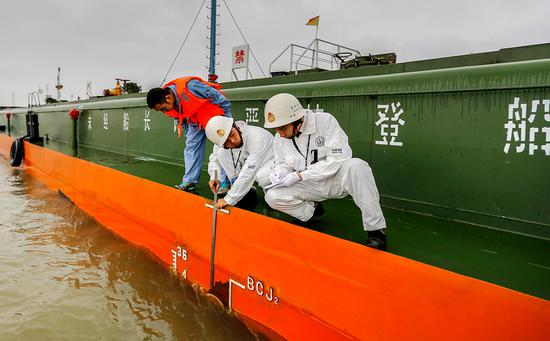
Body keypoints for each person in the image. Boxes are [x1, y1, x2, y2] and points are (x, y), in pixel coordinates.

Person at [262, 93, 388, 250]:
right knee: (272, 196)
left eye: (282, 129)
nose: (280, 134)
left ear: (297, 121)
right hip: (308, 184)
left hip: (334, 180)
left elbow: (339, 157)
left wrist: (300, 175)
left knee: (357, 166)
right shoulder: (280, 137)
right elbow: (283, 162)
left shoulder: (325, 121)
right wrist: (281, 171)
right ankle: (312, 212)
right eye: (276, 130)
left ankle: (375, 230)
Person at [146, 76, 231, 193]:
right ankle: (190, 181)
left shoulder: (191, 86)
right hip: (194, 119)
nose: (164, 112)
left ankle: (224, 181)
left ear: (168, 98)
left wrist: (225, 119)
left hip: (214, 114)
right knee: (191, 147)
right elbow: (178, 115)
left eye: (163, 109)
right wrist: (185, 129)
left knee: (223, 146)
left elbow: (216, 96)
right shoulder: (170, 101)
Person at [205, 115, 274, 209]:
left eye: (232, 134)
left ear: (235, 126)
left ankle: (273, 195)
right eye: (226, 142)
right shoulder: (221, 141)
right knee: (221, 153)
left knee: (262, 176)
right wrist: (215, 177)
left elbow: (248, 173)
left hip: (271, 163)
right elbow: (214, 158)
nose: (233, 141)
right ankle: (241, 190)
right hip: (250, 164)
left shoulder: (257, 137)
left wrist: (228, 199)